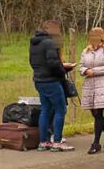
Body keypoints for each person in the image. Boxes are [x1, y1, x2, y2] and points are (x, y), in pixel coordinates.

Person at [30, 20, 76, 152]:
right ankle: (57, 141)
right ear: (49, 29)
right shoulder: (49, 43)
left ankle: (43, 141)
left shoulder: (34, 43)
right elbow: (53, 63)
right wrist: (63, 71)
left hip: (39, 79)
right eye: (56, 29)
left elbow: (33, 61)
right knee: (60, 109)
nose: (58, 32)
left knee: (45, 110)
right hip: (51, 80)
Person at [79, 27, 104, 155]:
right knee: (95, 114)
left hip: (103, 83)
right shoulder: (86, 51)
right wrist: (85, 71)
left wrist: (94, 71)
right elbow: (81, 66)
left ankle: (96, 143)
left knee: (98, 111)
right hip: (89, 85)